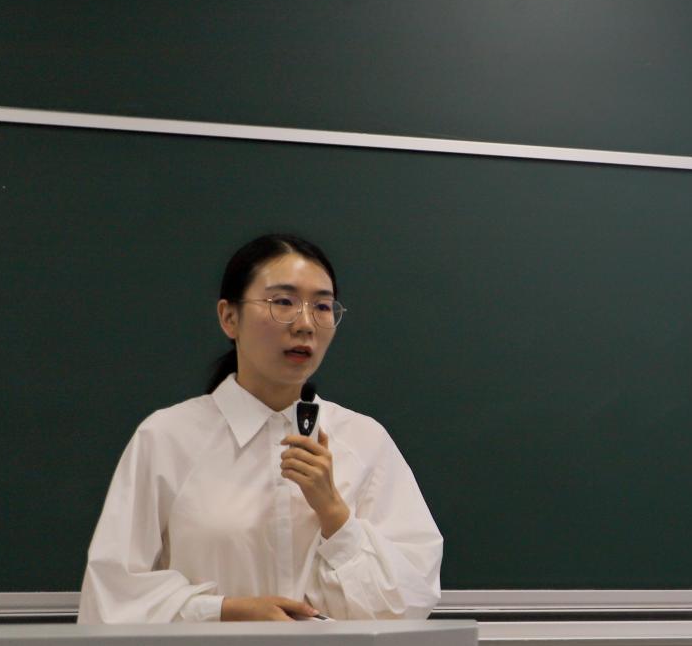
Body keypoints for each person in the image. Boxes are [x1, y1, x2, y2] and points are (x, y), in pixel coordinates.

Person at [79, 234, 443, 624]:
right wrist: (224, 611)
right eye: (283, 302)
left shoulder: (364, 441)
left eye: (322, 307)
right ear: (229, 317)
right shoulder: (167, 438)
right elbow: (110, 598)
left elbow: (411, 602)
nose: (305, 324)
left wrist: (334, 512)